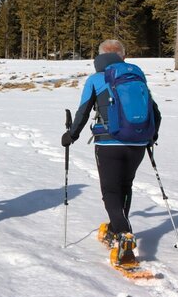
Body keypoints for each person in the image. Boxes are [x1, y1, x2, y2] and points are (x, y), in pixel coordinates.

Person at [62, 39, 161, 266]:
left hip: (109, 144)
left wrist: (71, 135)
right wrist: (151, 136)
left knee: (110, 190)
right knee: (125, 186)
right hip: (138, 143)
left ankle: (123, 234)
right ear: (123, 56)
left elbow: (83, 111)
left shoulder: (96, 79)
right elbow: (155, 112)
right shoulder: (137, 77)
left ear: (99, 57)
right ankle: (116, 229)